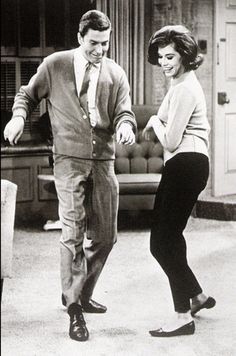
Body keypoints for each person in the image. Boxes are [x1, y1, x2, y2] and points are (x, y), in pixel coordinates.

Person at [4, 10, 136, 342]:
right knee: (73, 230)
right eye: (93, 43)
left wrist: (124, 127)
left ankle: (78, 290)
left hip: (103, 161)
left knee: (107, 236)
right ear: (80, 38)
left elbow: (124, 112)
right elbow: (27, 95)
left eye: (105, 44)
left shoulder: (116, 73)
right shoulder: (56, 64)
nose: (99, 50)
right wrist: (19, 118)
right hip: (67, 161)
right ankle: (75, 309)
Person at [142, 25, 216, 337]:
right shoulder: (180, 85)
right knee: (172, 237)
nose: (164, 62)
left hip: (185, 163)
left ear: (184, 55)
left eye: (170, 56)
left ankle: (181, 315)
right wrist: (157, 119)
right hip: (191, 164)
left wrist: (155, 123)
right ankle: (196, 296)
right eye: (160, 57)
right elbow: (162, 117)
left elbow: (170, 140)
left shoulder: (185, 88)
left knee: (160, 243)